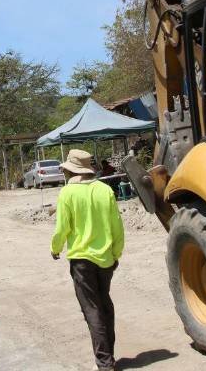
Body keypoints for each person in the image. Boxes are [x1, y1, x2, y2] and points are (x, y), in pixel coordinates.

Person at [51, 149, 124, 371]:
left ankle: (104, 363)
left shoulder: (67, 193)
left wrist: (55, 248)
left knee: (92, 309)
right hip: (106, 260)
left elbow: (62, 228)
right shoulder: (105, 190)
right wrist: (116, 254)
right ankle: (109, 356)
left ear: (71, 171)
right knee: (105, 305)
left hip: (81, 261)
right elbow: (117, 227)